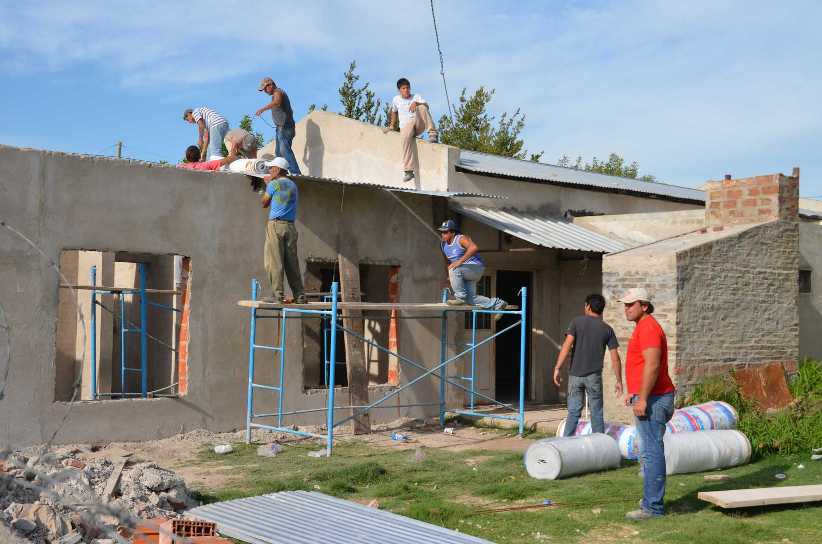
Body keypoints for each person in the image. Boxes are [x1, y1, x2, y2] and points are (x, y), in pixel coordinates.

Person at [618, 287, 676, 521]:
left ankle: (652, 508)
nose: (626, 308)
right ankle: (650, 502)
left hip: (654, 398)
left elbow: (652, 365)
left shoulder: (649, 328)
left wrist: (642, 398)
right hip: (650, 396)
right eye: (625, 304)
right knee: (649, 451)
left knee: (651, 453)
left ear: (644, 306)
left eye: (631, 304)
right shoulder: (643, 327)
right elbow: (642, 365)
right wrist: (633, 392)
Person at [553, 294, 622, 436]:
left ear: (588, 306)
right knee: (596, 412)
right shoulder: (607, 329)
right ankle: (600, 446)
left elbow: (566, 346)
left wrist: (557, 368)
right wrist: (619, 380)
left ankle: (566, 443)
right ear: (601, 310)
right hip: (594, 377)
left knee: (573, 412)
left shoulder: (576, 322)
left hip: (575, 375)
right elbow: (615, 357)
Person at [262, 157, 305, 303]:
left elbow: (264, 203)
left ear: (278, 169)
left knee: (274, 261)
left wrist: (266, 185)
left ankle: (277, 296)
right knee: (291, 263)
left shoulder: (273, 184)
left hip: (275, 226)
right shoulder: (293, 185)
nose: (269, 170)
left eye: (271, 168)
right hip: (290, 227)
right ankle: (300, 295)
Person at [437, 219, 506, 309]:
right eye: (441, 232)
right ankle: (498, 303)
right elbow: (447, 262)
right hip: (463, 271)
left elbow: (474, 248)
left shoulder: (461, 238)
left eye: (445, 232)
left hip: (475, 268)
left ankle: (460, 298)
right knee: (470, 299)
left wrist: (459, 261)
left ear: (453, 232)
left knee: (454, 268)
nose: (442, 234)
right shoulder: (443, 245)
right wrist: (449, 278)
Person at [384, 77, 439, 182]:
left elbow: (426, 106)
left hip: (418, 123)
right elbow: (394, 112)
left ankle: (432, 133)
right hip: (406, 126)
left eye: (408, 88)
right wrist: (392, 125)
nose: (406, 91)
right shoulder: (396, 99)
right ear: (399, 90)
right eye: (404, 88)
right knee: (404, 139)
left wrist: (417, 103)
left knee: (422, 107)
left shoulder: (416, 96)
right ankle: (408, 171)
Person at [255, 77, 301, 175]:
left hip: (285, 128)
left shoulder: (278, 92)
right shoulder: (277, 94)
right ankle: (282, 172)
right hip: (281, 128)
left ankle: (295, 172)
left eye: (265, 89)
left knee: (284, 150)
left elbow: (277, 102)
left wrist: (262, 109)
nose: (265, 92)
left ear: (270, 85)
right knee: (279, 153)